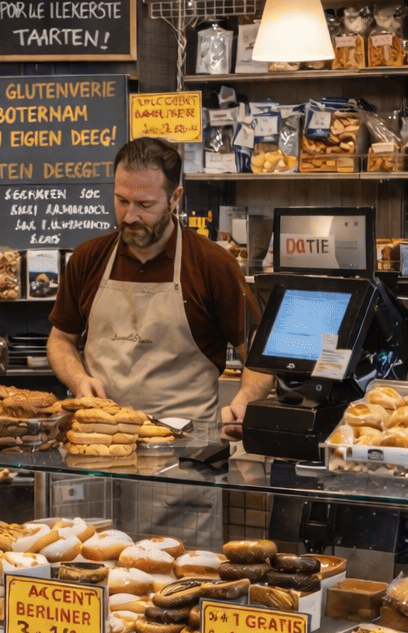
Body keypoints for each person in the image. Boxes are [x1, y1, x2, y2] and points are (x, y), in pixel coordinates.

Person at [46, 136, 274, 541]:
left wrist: (243, 401)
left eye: (145, 205)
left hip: (182, 467)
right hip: (95, 457)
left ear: (175, 198)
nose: (130, 216)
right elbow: (61, 339)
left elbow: (258, 356)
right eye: (121, 201)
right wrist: (79, 381)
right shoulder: (88, 259)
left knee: (174, 588)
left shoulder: (212, 266)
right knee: (92, 578)